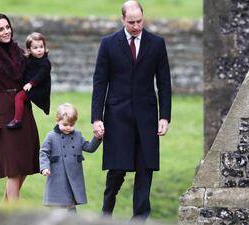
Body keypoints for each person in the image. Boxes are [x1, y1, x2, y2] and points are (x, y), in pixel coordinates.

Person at [91, 0, 172, 221]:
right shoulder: (108, 44)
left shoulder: (156, 43)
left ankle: (140, 219)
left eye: (139, 21)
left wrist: (165, 116)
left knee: (145, 169)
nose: (136, 26)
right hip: (117, 117)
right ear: (122, 20)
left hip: (147, 118)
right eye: (131, 22)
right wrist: (96, 118)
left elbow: (164, 82)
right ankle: (106, 214)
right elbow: (100, 82)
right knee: (117, 171)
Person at [0, 13, 40, 202]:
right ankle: (14, 217)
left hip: (24, 110)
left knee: (25, 165)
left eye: (7, 27)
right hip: (3, 112)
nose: (6, 32)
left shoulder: (19, 51)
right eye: (0, 29)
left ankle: (2, 215)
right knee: (13, 168)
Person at [39, 103, 101, 212]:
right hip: (57, 177)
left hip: (73, 178)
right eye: (65, 124)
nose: (68, 127)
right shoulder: (51, 136)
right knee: (56, 209)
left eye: (71, 125)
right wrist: (44, 167)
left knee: (71, 209)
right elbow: (43, 152)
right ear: (57, 121)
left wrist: (97, 138)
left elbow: (89, 148)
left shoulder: (78, 135)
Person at [7, 32, 52, 129]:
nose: (39, 50)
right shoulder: (30, 59)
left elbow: (41, 75)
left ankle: (17, 120)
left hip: (39, 89)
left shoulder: (45, 63)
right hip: (30, 85)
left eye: (41, 47)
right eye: (35, 48)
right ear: (29, 50)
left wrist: (31, 84)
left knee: (19, 97)